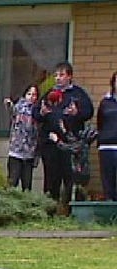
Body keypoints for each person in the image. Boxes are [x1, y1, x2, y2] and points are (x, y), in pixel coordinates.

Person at [33, 61, 94, 205]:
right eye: (56, 75)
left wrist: (77, 113)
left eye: (61, 75)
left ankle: (69, 209)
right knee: (51, 177)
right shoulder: (49, 93)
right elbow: (36, 113)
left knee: (70, 177)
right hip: (50, 143)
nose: (58, 78)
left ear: (69, 76)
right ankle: (50, 208)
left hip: (70, 144)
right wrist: (41, 112)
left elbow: (89, 112)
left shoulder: (78, 93)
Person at [4, 84, 40, 191]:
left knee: (27, 184)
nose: (31, 97)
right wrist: (9, 104)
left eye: (34, 95)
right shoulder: (19, 107)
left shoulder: (38, 111)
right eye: (29, 94)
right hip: (16, 151)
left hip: (29, 152)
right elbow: (12, 110)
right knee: (12, 181)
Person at [96, 71, 117, 201]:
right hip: (107, 145)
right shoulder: (105, 102)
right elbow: (100, 122)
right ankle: (110, 211)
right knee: (108, 179)